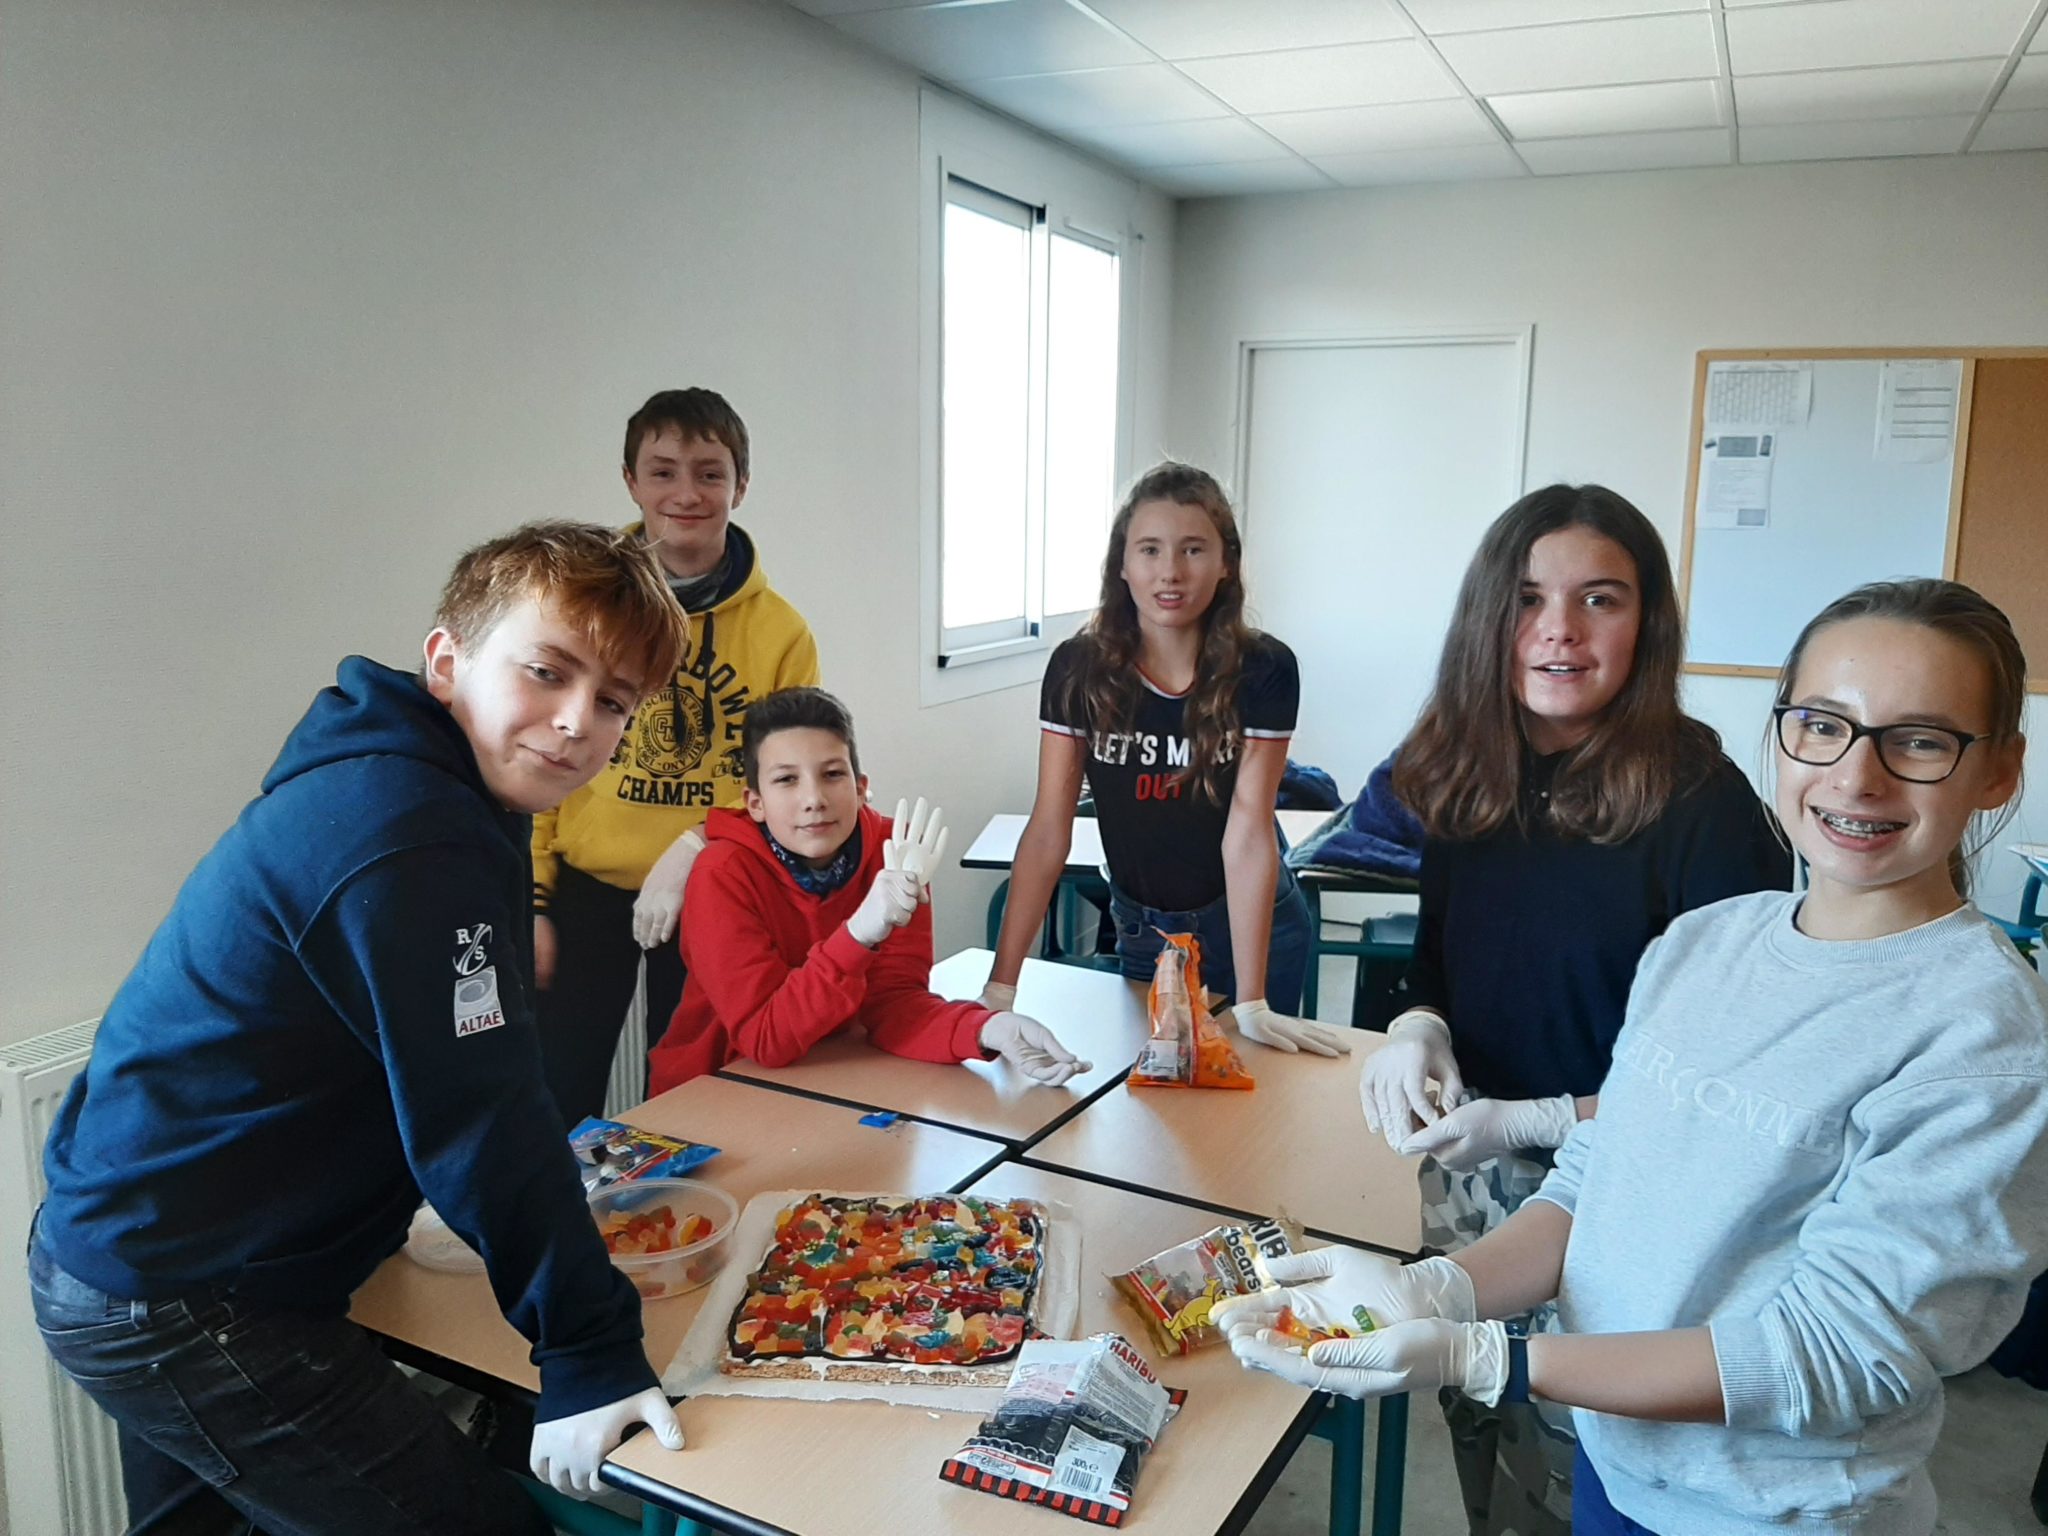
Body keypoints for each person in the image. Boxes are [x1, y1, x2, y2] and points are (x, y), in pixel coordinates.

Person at [1227, 578, 2048, 1536]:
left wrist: (1485, 1358)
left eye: (1920, 740)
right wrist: (1439, 1286)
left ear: (2000, 770)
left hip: (1771, 1513)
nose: (1857, 776)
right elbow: (1598, 1179)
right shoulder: (1704, 944)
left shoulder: (1982, 1036)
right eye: (1824, 725)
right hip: (1618, 1465)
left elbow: (1836, 1353)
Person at [32, 524, 696, 1531]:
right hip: (185, 1291)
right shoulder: (409, 826)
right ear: (447, 662)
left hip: (135, 1243)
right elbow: (488, 1115)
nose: (575, 722)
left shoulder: (434, 783)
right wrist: (589, 1351)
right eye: (546, 671)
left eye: (612, 702)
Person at [1358, 483, 1790, 1534]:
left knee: (1590, 1461)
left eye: (1600, 598)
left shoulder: (1701, 800)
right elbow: (1436, 960)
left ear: (1646, 624)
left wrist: (1542, 1119)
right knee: (1483, 1426)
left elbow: (1736, 1077)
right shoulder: (1468, 768)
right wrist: (1418, 1026)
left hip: (1626, 1191)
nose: (1558, 629)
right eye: (1527, 599)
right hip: (1469, 1172)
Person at [980, 462, 1346, 1058]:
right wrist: (1001, 987)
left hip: (1250, 925)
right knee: (1157, 1098)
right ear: (1121, 564)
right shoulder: (1079, 670)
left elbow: (1249, 831)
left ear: (1226, 562)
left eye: (1193, 549)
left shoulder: (1264, 669)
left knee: (1254, 1095)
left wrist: (1252, 999)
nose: (1170, 571)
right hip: (1144, 926)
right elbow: (1049, 830)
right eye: (1149, 549)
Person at [533, 387, 820, 1124]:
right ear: (631, 481)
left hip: (711, 888)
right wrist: (527, 899)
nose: (686, 494)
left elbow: (790, 783)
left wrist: (700, 841)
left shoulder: (783, 634)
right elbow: (542, 756)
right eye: (662, 472)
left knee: (691, 1096)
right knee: (554, 1092)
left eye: (709, 473)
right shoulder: (583, 609)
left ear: (740, 485)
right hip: (583, 889)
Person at [649, 687, 1086, 1093]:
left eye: (832, 774)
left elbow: (894, 1006)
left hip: (832, 1076)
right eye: (786, 780)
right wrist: (858, 934)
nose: (814, 799)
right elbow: (766, 1039)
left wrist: (986, 1028)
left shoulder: (897, 853)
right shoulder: (721, 873)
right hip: (713, 1089)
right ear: (755, 803)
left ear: (860, 789)